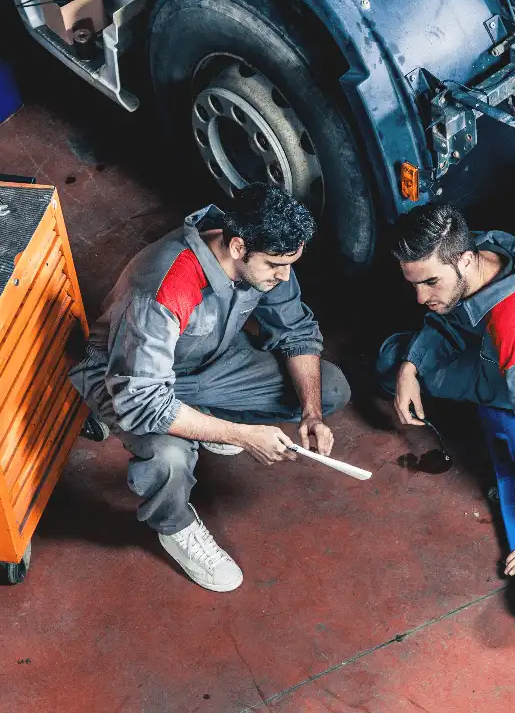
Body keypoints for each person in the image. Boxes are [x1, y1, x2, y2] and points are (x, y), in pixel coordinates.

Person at [70, 185, 351, 592]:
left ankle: (206, 418)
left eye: (291, 263)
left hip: (209, 361)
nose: (284, 275)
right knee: (169, 457)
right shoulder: (166, 286)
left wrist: (311, 412)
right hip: (130, 380)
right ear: (238, 247)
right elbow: (144, 402)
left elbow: (296, 330)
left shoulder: (262, 251)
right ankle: (175, 527)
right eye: (275, 265)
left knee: (331, 389)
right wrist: (244, 435)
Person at [377, 202, 515, 575]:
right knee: (415, 350)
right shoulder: (491, 246)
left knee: (389, 357)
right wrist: (412, 365)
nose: (420, 297)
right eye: (414, 283)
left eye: (430, 282)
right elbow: (453, 311)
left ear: (464, 260)